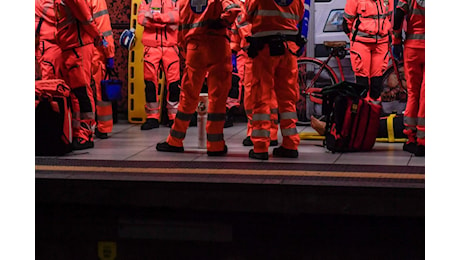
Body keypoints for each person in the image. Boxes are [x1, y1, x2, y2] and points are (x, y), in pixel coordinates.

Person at [156, 0, 241, 155]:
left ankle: (175, 140)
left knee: (188, 96)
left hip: (194, 48)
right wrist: (221, 22)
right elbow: (234, 9)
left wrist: (186, 50)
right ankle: (215, 145)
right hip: (218, 46)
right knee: (218, 97)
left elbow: (181, 29)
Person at [244, 0, 304, 160]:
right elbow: (299, 15)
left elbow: (247, 15)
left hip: (264, 49)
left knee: (261, 96)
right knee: (288, 98)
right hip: (289, 47)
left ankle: (261, 146)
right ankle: (290, 144)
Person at [54, 0, 105, 150]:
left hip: (78, 45)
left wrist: (97, 35)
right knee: (77, 93)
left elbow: (85, 17)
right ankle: (78, 132)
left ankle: (86, 134)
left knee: (83, 91)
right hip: (71, 45)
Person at [228, 2, 279, 146]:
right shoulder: (242, 13)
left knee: (264, 95)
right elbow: (235, 38)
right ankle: (257, 132)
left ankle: (269, 133)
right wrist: (232, 54)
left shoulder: (259, 9)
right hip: (249, 57)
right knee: (252, 97)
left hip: (263, 56)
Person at [137, 0, 181, 130]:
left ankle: (173, 118)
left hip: (171, 47)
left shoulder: (176, 0)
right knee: (150, 84)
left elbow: (179, 17)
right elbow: (141, 19)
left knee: (174, 84)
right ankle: (152, 118)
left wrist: (156, 18)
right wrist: (167, 23)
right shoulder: (147, 0)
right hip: (151, 48)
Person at [343, 0, 394, 101]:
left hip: (381, 43)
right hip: (361, 43)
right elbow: (347, 22)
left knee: (377, 84)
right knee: (362, 83)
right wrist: (355, 37)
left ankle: (373, 113)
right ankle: (362, 113)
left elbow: (388, 17)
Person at [392, 0, 425, 156]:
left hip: (412, 48)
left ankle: (411, 139)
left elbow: (398, 15)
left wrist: (396, 40)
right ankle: (424, 140)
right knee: (426, 96)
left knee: (413, 94)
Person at [90, 0, 116, 139]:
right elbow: (104, 29)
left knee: (84, 90)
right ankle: (103, 127)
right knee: (101, 91)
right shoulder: (97, 1)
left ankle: (84, 127)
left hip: (77, 49)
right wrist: (110, 54)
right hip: (98, 52)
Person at [35, 0, 62, 80]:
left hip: (51, 43)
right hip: (49, 43)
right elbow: (58, 15)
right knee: (51, 78)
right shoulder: (43, 2)